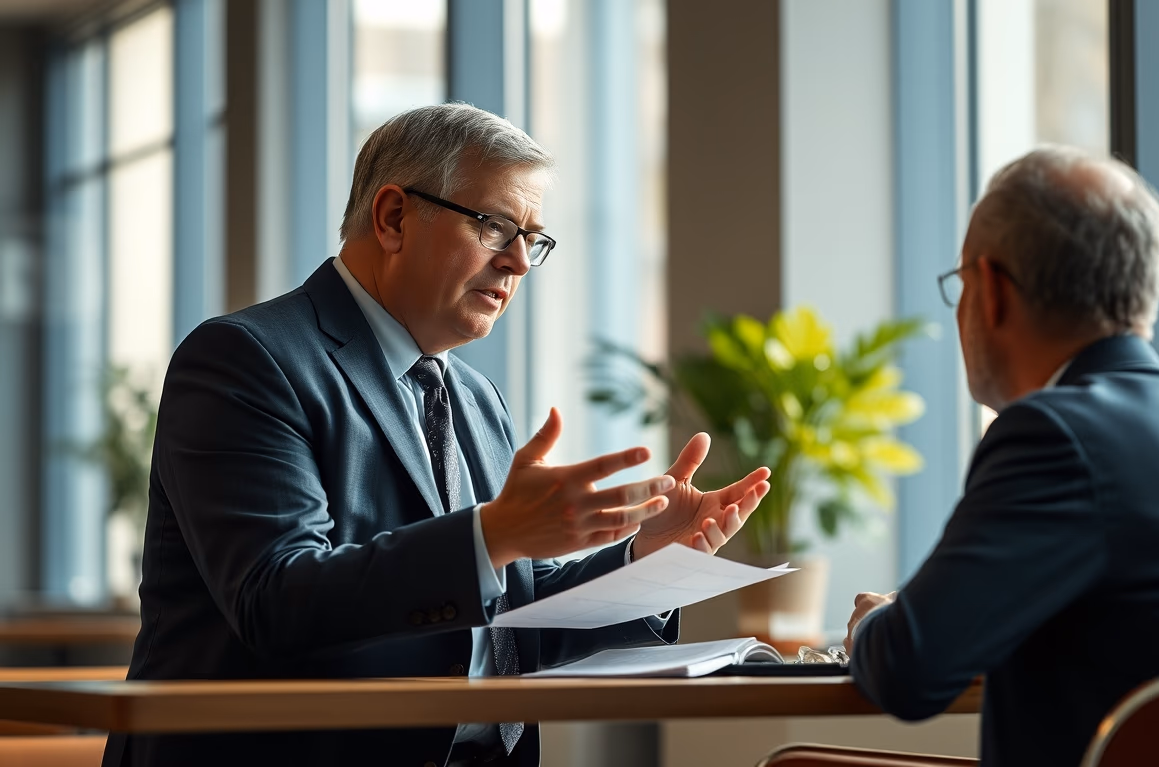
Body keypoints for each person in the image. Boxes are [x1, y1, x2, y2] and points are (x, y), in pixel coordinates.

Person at [103, 103, 771, 767]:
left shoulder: (477, 400)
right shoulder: (247, 359)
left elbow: (510, 630)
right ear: (393, 217)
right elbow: (277, 601)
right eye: (495, 226)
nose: (517, 263)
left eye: (532, 240)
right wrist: (494, 536)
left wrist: (646, 561)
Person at [843, 146, 1159, 767]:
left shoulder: (1054, 435)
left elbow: (909, 669)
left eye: (961, 283)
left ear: (991, 291)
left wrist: (869, 626)